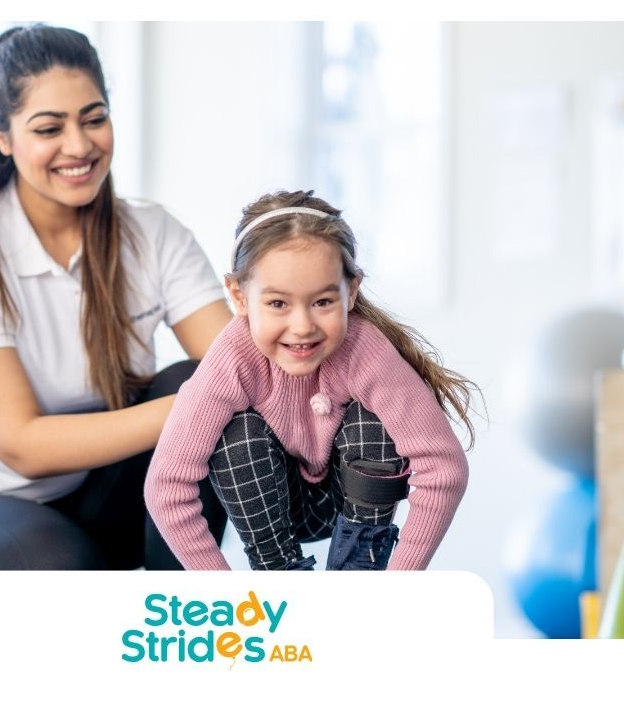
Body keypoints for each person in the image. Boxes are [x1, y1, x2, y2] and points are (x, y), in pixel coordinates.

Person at [0, 25, 232, 614]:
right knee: (64, 574)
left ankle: (183, 624)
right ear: (1, 135)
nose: (78, 146)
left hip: (102, 498)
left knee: (200, 378)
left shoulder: (153, 234)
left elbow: (241, 367)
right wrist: (194, 410)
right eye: (49, 128)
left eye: (93, 118)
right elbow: (22, 445)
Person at [145, 190, 477, 571]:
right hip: (271, 505)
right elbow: (166, 487)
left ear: (350, 291)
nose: (302, 327)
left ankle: (358, 573)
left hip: (349, 502)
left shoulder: (365, 350)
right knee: (236, 431)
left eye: (322, 302)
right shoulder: (232, 358)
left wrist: (399, 583)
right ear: (239, 296)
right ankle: (280, 575)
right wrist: (226, 592)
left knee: (374, 420)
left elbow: (444, 468)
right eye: (277, 304)